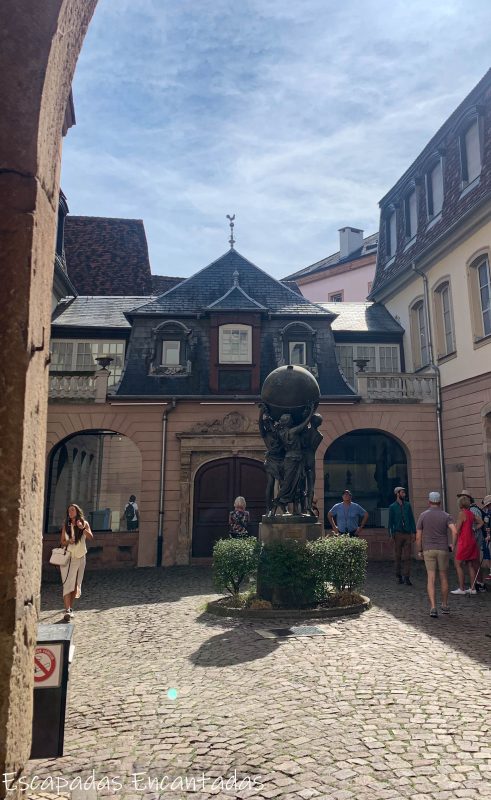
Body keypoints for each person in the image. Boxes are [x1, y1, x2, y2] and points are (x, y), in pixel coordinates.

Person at [416, 491, 457, 618]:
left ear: (429, 502)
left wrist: (420, 550)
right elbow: (454, 531)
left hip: (428, 549)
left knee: (431, 578)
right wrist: (453, 545)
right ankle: (444, 604)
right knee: (444, 577)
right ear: (440, 502)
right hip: (443, 549)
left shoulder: (423, 515)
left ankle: (433, 607)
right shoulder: (446, 515)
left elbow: (418, 536)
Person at [59, 503, 94, 622]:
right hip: (69, 558)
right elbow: (62, 541)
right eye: (69, 511)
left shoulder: (84, 523)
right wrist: (69, 541)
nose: (70, 512)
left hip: (81, 557)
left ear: (77, 512)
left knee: (75, 585)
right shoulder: (66, 525)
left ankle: (70, 608)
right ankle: (67, 610)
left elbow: (90, 537)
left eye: (72, 510)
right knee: (68, 584)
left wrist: (82, 528)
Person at [451, 495, 484, 595]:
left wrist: (453, 544)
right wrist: (474, 529)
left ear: (460, 504)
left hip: (464, 541)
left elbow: (457, 530)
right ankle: (472, 588)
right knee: (470, 564)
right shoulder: (470, 513)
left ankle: (461, 588)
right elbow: (481, 522)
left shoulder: (462, 514)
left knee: (458, 564)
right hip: (472, 541)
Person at [258, 405, 284, 515]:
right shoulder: (269, 434)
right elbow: (260, 425)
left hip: (280, 460)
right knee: (271, 483)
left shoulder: (278, 434)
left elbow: (261, 425)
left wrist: (263, 413)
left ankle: (281, 507)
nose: (269, 425)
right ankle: (269, 507)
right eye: (268, 423)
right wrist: (261, 413)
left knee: (282, 485)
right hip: (272, 460)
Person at [388, 487, 416, 586]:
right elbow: (390, 522)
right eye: (402, 492)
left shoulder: (408, 505)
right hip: (398, 533)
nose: (404, 494)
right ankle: (398, 575)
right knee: (398, 556)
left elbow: (411, 519)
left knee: (407, 556)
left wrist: (414, 532)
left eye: (404, 492)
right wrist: (391, 534)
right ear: (397, 494)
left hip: (407, 533)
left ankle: (407, 576)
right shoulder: (392, 507)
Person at [482, 494, 491, 580]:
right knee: (488, 555)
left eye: (488, 505)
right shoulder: (488, 512)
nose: (487, 507)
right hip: (488, 536)